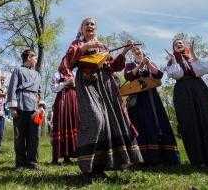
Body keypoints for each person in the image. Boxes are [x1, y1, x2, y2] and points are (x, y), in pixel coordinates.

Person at [60, 17, 143, 177]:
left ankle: (101, 167)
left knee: (111, 121)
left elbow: (114, 66)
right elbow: (68, 62)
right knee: (95, 120)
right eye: (86, 24)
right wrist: (85, 46)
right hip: (87, 83)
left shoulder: (103, 46)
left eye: (92, 24)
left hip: (106, 84)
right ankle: (87, 166)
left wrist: (124, 52)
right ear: (81, 29)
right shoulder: (76, 44)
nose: (90, 26)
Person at [164, 39, 208, 166]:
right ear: (173, 48)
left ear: (185, 46)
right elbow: (177, 75)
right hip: (183, 91)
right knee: (190, 121)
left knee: (206, 118)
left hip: (199, 88)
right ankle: (199, 159)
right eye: (176, 44)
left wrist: (193, 54)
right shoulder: (171, 62)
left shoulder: (192, 58)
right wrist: (174, 59)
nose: (179, 44)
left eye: (181, 43)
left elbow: (204, 70)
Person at [124, 45, 180, 166]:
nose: (136, 51)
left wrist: (148, 64)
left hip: (151, 97)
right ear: (132, 54)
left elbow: (159, 75)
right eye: (134, 51)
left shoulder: (150, 62)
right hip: (137, 99)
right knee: (139, 123)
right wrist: (139, 65)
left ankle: (163, 157)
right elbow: (128, 76)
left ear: (142, 51)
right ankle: (143, 158)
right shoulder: (130, 64)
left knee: (156, 122)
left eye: (138, 49)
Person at [6, 49, 44, 170]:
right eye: (35, 58)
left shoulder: (38, 74)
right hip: (21, 107)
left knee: (35, 136)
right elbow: (12, 88)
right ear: (29, 57)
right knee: (20, 136)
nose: (36, 60)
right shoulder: (18, 70)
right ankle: (20, 163)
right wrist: (12, 107)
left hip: (35, 109)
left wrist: (41, 107)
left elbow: (40, 92)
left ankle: (32, 161)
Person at [50, 71, 79, 165]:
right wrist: (65, 83)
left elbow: (79, 86)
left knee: (71, 125)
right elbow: (53, 88)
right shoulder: (57, 74)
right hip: (62, 100)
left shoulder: (74, 73)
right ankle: (55, 158)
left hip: (73, 100)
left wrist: (74, 84)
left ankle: (68, 156)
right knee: (60, 126)